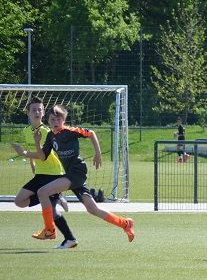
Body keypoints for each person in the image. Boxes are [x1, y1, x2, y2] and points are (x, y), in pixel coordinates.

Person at [11, 104, 135, 243]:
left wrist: (98, 154)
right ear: (48, 121)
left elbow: (91, 133)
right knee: (92, 208)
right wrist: (37, 143)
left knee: (42, 192)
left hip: (77, 171)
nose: (55, 122)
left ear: (63, 120)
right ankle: (125, 223)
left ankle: (50, 230)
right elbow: (43, 156)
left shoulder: (69, 131)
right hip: (71, 173)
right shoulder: (50, 136)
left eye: (58, 119)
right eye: (52, 119)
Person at [11, 96, 78, 249]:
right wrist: (32, 163)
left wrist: (23, 153)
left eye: (39, 110)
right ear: (28, 113)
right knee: (19, 201)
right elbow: (34, 150)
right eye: (33, 110)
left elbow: (44, 155)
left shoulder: (46, 131)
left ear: (43, 113)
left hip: (53, 173)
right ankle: (56, 197)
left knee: (52, 211)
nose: (37, 112)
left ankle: (70, 238)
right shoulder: (26, 131)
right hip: (40, 174)